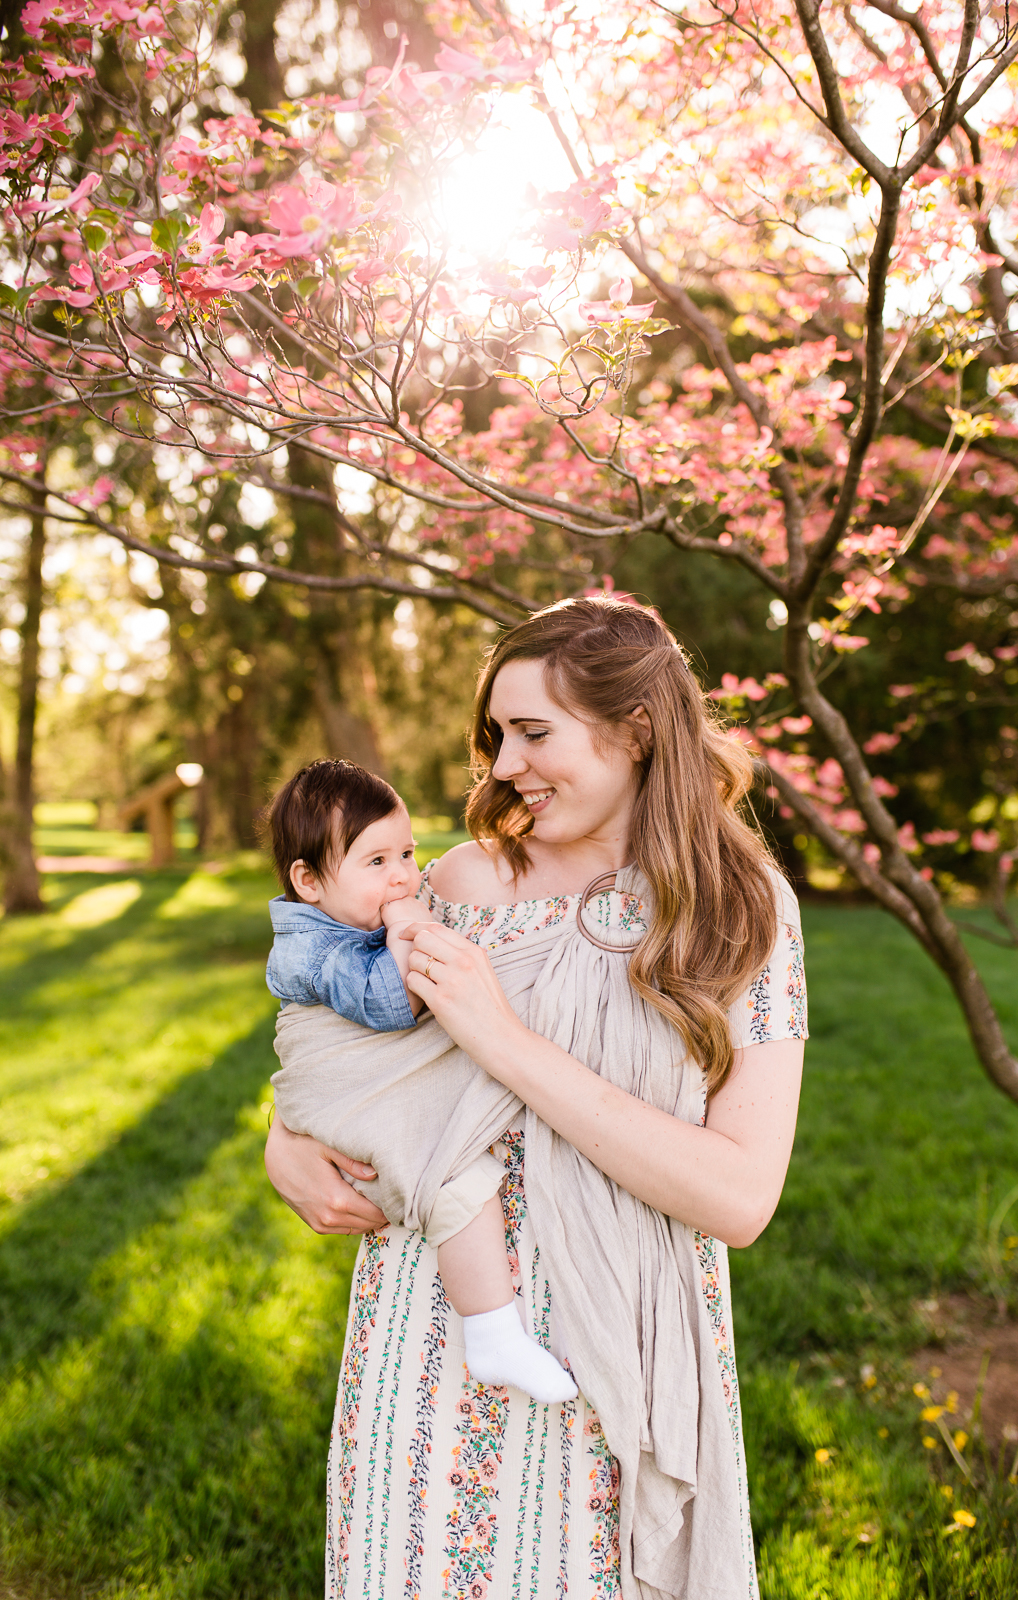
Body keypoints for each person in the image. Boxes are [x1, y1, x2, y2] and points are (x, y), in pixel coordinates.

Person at [265, 597, 807, 1600]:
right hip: (434, 1334)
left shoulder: (741, 911)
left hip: (621, 1350)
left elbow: (739, 1198)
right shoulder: (465, 879)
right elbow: (348, 1029)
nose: (501, 764)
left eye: (532, 732)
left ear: (635, 730)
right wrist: (278, 1136)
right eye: (496, 734)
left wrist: (503, 1039)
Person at [264, 758, 577, 1403]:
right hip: (335, 1089)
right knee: (454, 1179)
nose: (405, 875)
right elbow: (387, 1004)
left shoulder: (355, 917)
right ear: (309, 880)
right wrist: (413, 931)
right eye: (375, 861)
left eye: (406, 852)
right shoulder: (305, 945)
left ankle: (493, 1329)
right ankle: (492, 1330)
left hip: (352, 1084)